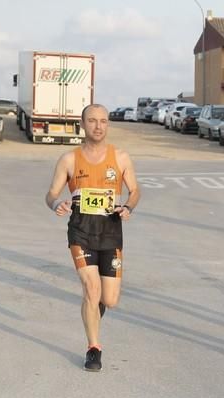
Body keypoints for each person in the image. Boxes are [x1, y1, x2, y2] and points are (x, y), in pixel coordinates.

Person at [45, 104, 140, 371]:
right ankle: (94, 348)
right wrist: (57, 205)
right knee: (92, 289)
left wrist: (128, 207)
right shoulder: (69, 159)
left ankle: (92, 310)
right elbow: (50, 194)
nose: (98, 126)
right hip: (81, 230)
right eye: (92, 121)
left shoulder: (120, 157)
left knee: (108, 300)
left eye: (103, 121)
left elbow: (134, 191)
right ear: (82, 125)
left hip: (111, 230)